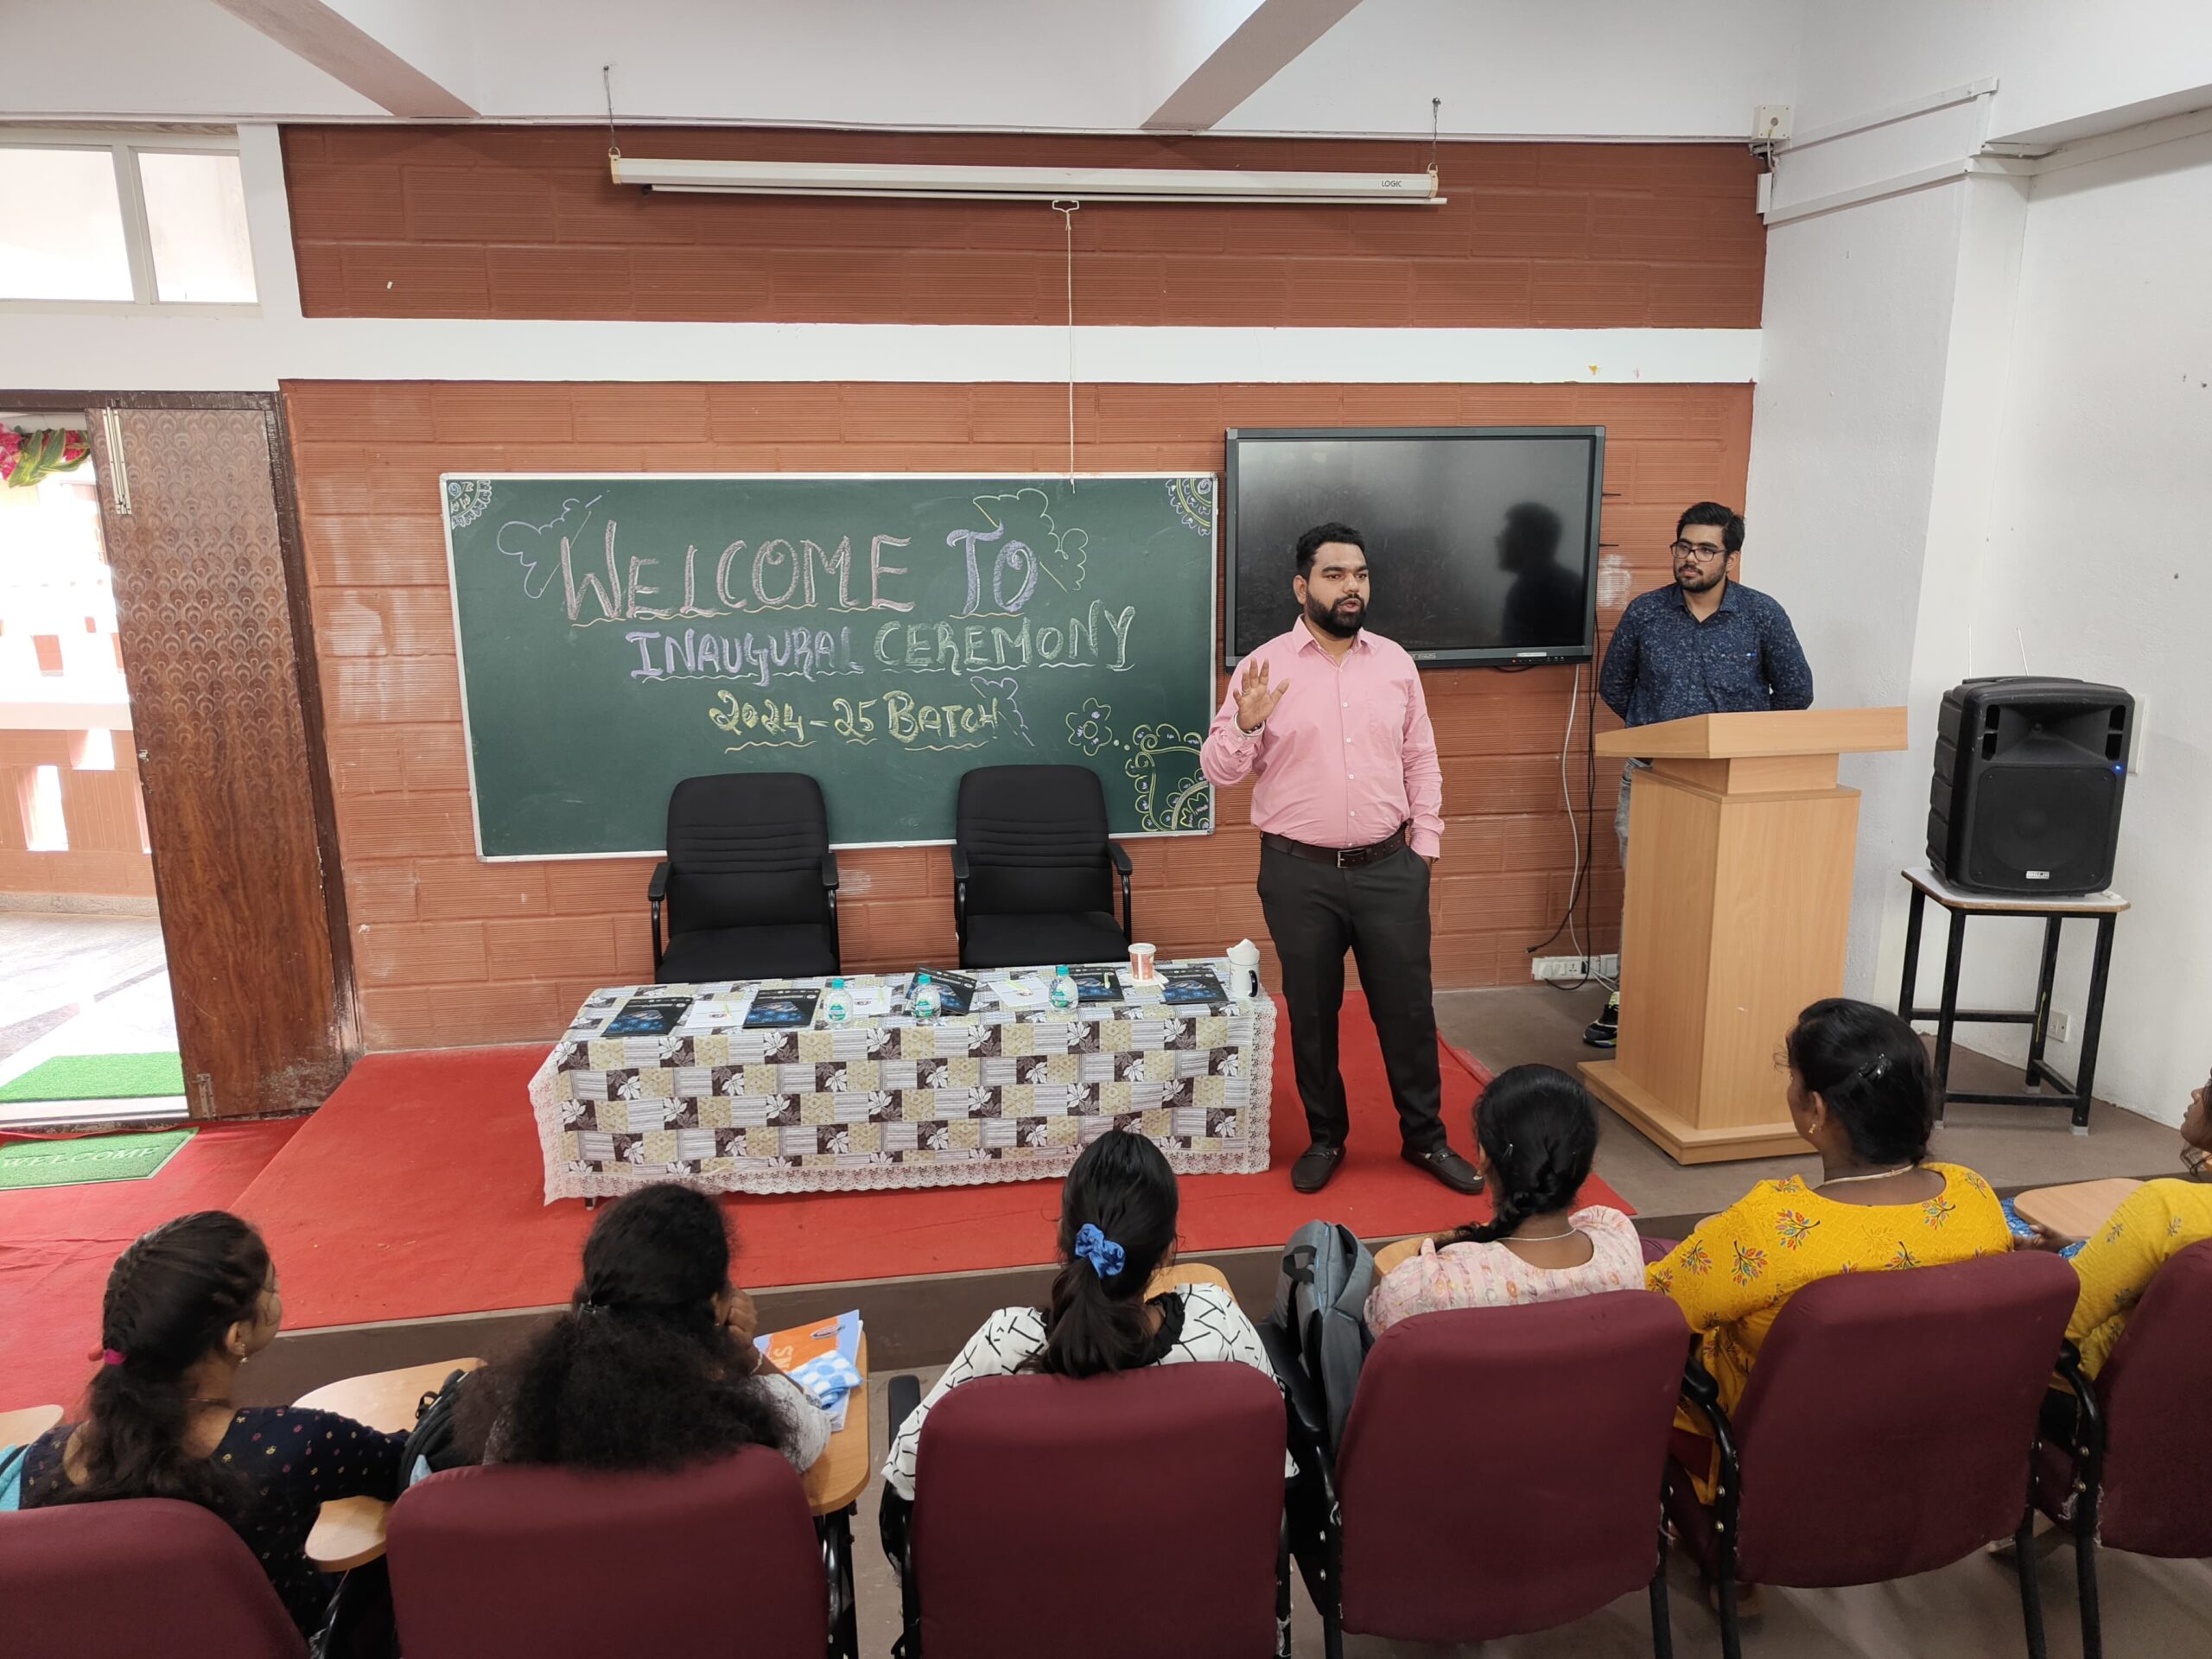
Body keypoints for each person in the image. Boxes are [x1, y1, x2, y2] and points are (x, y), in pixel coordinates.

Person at [1199, 521, 1483, 1197]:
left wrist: (1425, 847)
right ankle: (1327, 1137)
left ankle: (1426, 1138)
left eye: (1359, 574)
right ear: (1303, 588)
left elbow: (1420, 758)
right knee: (1313, 1014)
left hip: (1390, 870)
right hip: (1298, 875)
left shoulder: (1395, 663)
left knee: (1408, 1012)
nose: (1350, 586)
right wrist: (1246, 723)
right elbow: (1218, 771)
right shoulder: (1264, 667)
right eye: (1334, 575)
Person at [1649, 999, 2011, 1500]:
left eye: (1793, 1078)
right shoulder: (1974, 1196)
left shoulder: (1770, 1228)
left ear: (1816, 1109)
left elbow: (1653, 1309)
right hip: (1925, 1447)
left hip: (1770, 1464)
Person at [15, 1212, 405, 1637]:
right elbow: (408, 1465)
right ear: (236, 1336)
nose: (277, 1295)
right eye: (272, 1288)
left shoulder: (44, 1460)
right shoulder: (294, 1443)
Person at [880, 1129, 1277, 1502]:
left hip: (1035, 1553)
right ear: (1167, 1251)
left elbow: (907, 1471)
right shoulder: (1218, 1324)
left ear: (1062, 1237)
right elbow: (1277, 1449)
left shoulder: (1003, 1344)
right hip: (1188, 1550)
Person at [1586, 502, 1814, 1048]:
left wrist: (1746, 743)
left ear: (1730, 558)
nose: (1690, 558)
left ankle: (1722, 1000)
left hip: (1734, 785)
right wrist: (1655, 731)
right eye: (1684, 546)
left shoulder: (1762, 615)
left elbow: (1797, 692)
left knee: (1729, 894)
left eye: (1706, 550)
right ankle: (1632, 997)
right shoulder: (1645, 613)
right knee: (1647, 894)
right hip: (1653, 777)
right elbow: (1614, 686)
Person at [456, 1181, 829, 1472]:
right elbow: (813, 1420)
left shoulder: (520, 1422)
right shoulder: (752, 1424)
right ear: (717, 1307)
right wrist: (747, 1355)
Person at [1366, 1064, 1642, 1334]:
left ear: (1484, 1157)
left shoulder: (1423, 1290)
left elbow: (1380, 1335)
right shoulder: (1621, 1247)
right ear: (1590, 1163)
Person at [2023, 1064, 2212, 1377]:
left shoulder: (2167, 1206)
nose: (2196, 1094)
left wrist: (2024, 1270)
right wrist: (2089, 1247)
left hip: (2083, 1385)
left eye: (2209, 1087)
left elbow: (2060, 1322)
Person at [1496, 502, 1584, 648]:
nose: (1498, 541)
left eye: (1507, 534)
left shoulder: (1526, 594)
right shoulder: (1572, 585)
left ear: (1524, 541)